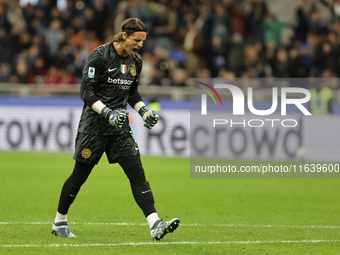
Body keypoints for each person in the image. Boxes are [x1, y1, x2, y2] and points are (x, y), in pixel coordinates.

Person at [51, 18, 180, 241]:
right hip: (94, 127)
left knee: (137, 172)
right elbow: (86, 92)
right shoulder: (99, 56)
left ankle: (155, 224)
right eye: (137, 40)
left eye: (143, 41)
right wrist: (107, 112)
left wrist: (144, 111)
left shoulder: (135, 61)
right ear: (124, 35)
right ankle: (59, 221)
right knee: (80, 175)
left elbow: (132, 93)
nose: (140, 45)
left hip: (119, 128)